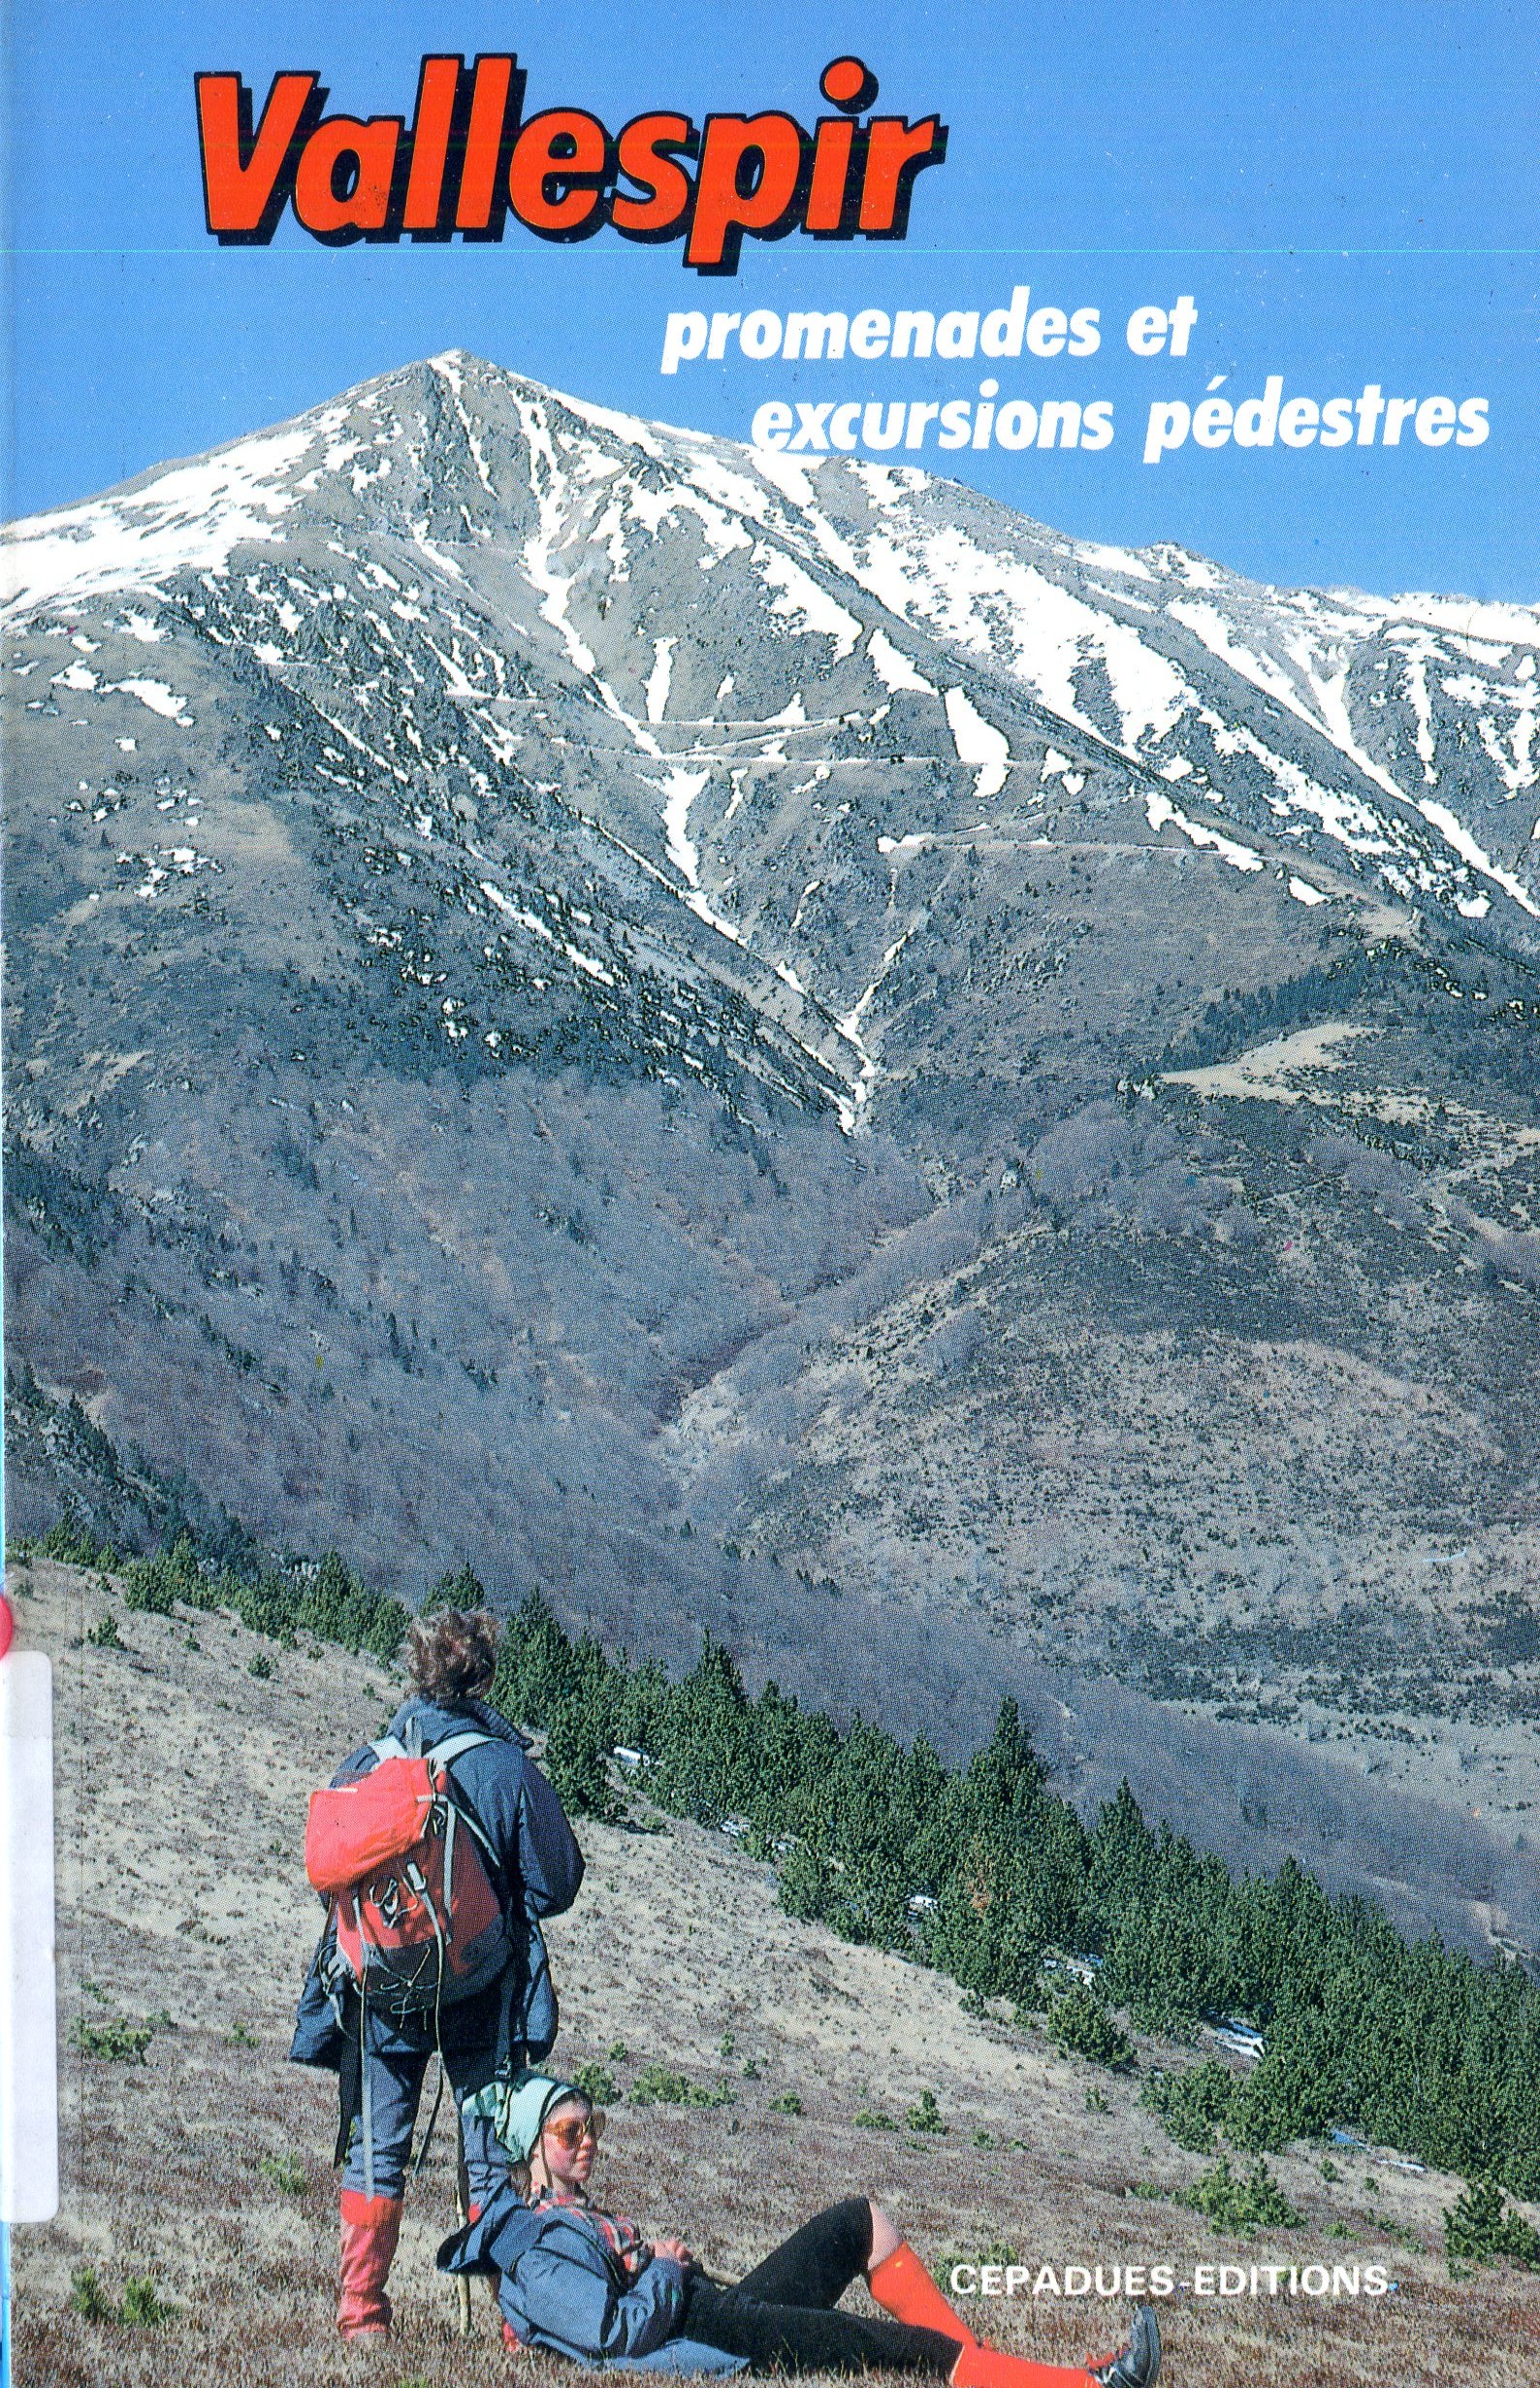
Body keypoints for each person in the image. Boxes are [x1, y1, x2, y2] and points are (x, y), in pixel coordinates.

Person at [438, 2074, 1160, 2388]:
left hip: (715, 2313)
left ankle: (1007, 2374)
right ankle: (1089, 2386)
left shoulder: (568, 2213)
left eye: (591, 2127)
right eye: (569, 2132)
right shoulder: (532, 2246)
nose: (587, 2141)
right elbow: (612, 2336)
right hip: (709, 2333)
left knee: (860, 2223)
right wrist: (661, 2263)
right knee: (898, 2349)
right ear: (531, 2147)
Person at [291, 1606, 585, 2340]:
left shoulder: (367, 1763)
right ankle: (518, 2325)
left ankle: (361, 2316)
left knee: (377, 2150)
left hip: (385, 1995)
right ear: (483, 1674)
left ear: (414, 1670)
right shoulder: (506, 1765)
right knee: (490, 2163)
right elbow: (557, 1886)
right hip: (480, 1993)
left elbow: (330, 1878)